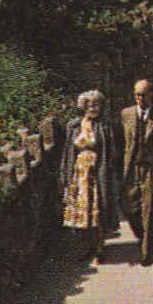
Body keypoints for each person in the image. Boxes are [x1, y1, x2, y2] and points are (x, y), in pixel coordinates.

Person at [119, 80, 153, 266]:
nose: (140, 99)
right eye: (137, 95)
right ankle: (144, 238)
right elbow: (122, 144)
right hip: (132, 168)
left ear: (152, 95)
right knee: (128, 206)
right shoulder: (126, 115)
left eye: (143, 94)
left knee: (148, 210)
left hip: (151, 168)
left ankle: (146, 252)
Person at [62, 89, 119, 262]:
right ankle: (87, 246)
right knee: (82, 213)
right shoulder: (74, 126)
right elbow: (68, 152)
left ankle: (100, 247)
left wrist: (112, 171)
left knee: (99, 209)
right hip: (79, 175)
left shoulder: (105, 125)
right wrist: (65, 175)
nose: (94, 108)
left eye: (97, 104)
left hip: (99, 173)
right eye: (90, 105)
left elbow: (113, 151)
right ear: (83, 107)